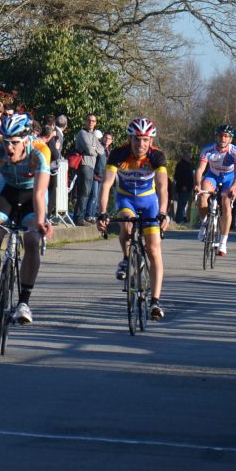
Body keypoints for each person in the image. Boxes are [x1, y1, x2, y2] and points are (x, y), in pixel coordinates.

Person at [0, 113, 53, 325]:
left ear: (26, 141)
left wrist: (42, 222)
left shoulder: (40, 152)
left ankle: (24, 302)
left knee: (32, 240)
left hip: (31, 196)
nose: (9, 148)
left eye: (15, 143)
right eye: (7, 141)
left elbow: (39, 193)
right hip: (7, 193)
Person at [96, 118, 170, 321]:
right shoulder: (119, 154)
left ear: (151, 140)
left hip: (149, 202)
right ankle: (127, 258)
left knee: (154, 249)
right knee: (127, 225)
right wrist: (102, 212)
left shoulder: (157, 157)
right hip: (125, 199)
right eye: (137, 140)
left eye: (145, 140)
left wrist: (163, 212)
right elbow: (106, 185)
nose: (141, 145)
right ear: (130, 139)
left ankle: (155, 301)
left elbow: (163, 188)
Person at [194, 124, 236, 256]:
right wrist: (198, 184)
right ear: (216, 137)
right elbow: (200, 169)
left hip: (229, 179)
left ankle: (223, 242)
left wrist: (233, 187)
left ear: (230, 139)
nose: (223, 138)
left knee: (226, 205)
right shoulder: (208, 150)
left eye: (226, 136)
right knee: (202, 195)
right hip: (213, 176)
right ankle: (205, 223)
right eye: (221, 136)